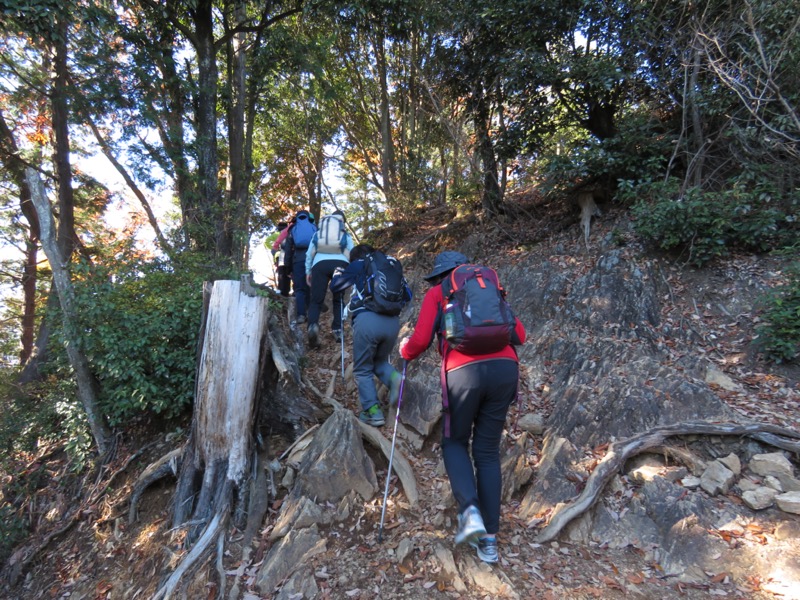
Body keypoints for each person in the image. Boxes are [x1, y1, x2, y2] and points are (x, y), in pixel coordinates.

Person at [399, 251, 526, 564]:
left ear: (442, 275)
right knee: (487, 451)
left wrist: (405, 350)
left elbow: (420, 341)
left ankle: (470, 513)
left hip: (463, 373)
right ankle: (490, 541)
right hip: (505, 370)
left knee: (455, 442)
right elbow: (519, 334)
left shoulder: (438, 292)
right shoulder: (490, 286)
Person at [330, 244, 411, 426]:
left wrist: (337, 274)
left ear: (355, 257)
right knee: (378, 362)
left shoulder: (358, 264)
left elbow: (336, 287)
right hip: (392, 324)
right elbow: (408, 295)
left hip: (368, 321)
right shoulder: (389, 267)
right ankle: (395, 378)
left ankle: (373, 412)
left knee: (362, 369)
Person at [304, 210, 354, 347]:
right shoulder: (345, 234)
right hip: (340, 264)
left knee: (316, 300)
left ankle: (313, 326)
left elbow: (309, 253)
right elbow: (352, 252)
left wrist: (308, 271)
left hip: (319, 265)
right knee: (338, 299)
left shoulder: (318, 234)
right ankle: (338, 329)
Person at [287, 210, 316, 324]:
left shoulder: (293, 229)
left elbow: (288, 250)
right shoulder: (314, 227)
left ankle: (301, 315)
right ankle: (312, 314)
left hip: (298, 260)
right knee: (310, 286)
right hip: (313, 260)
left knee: (299, 289)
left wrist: (288, 267)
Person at [270, 221, 292, 297]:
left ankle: (281, 293)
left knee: (281, 275)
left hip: (281, 256)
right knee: (290, 275)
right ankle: (289, 293)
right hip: (293, 255)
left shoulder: (281, 233)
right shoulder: (293, 229)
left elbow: (268, 242)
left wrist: (274, 249)